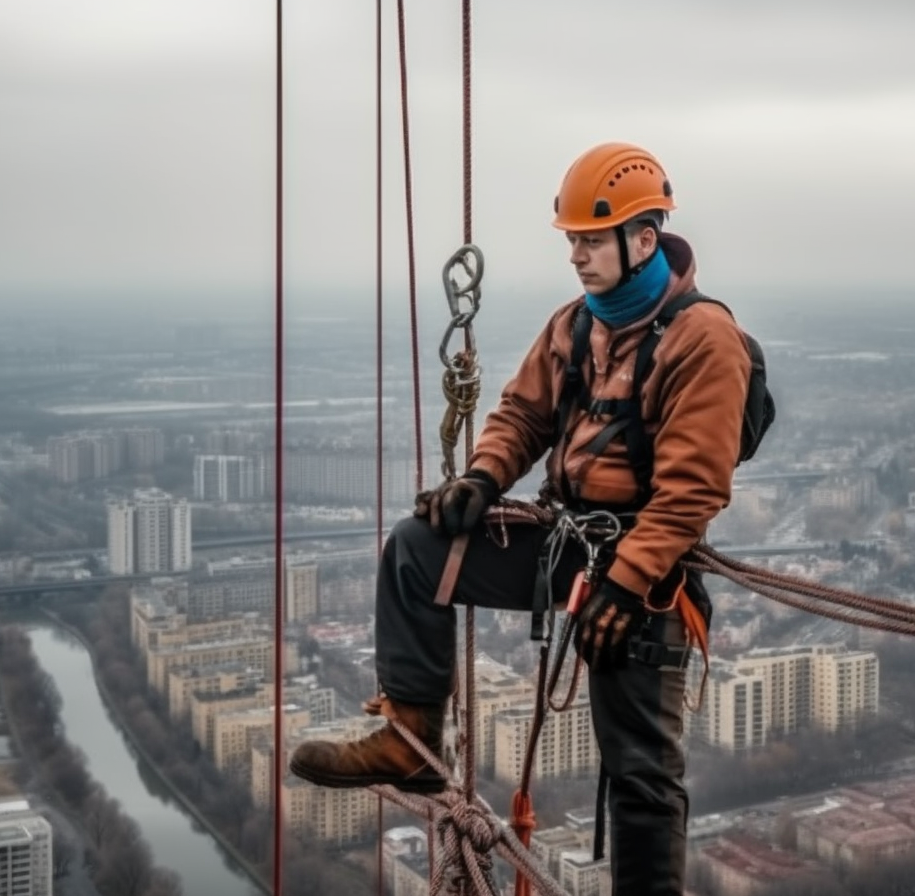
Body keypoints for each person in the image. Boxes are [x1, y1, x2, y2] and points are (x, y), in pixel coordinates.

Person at [290, 141, 751, 896]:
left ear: (644, 240)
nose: (575, 255)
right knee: (416, 549)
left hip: (650, 567)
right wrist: (482, 476)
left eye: (590, 240)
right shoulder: (575, 325)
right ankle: (409, 737)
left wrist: (628, 586)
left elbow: (692, 493)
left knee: (640, 773)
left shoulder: (704, 340)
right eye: (571, 240)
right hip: (572, 543)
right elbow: (522, 413)